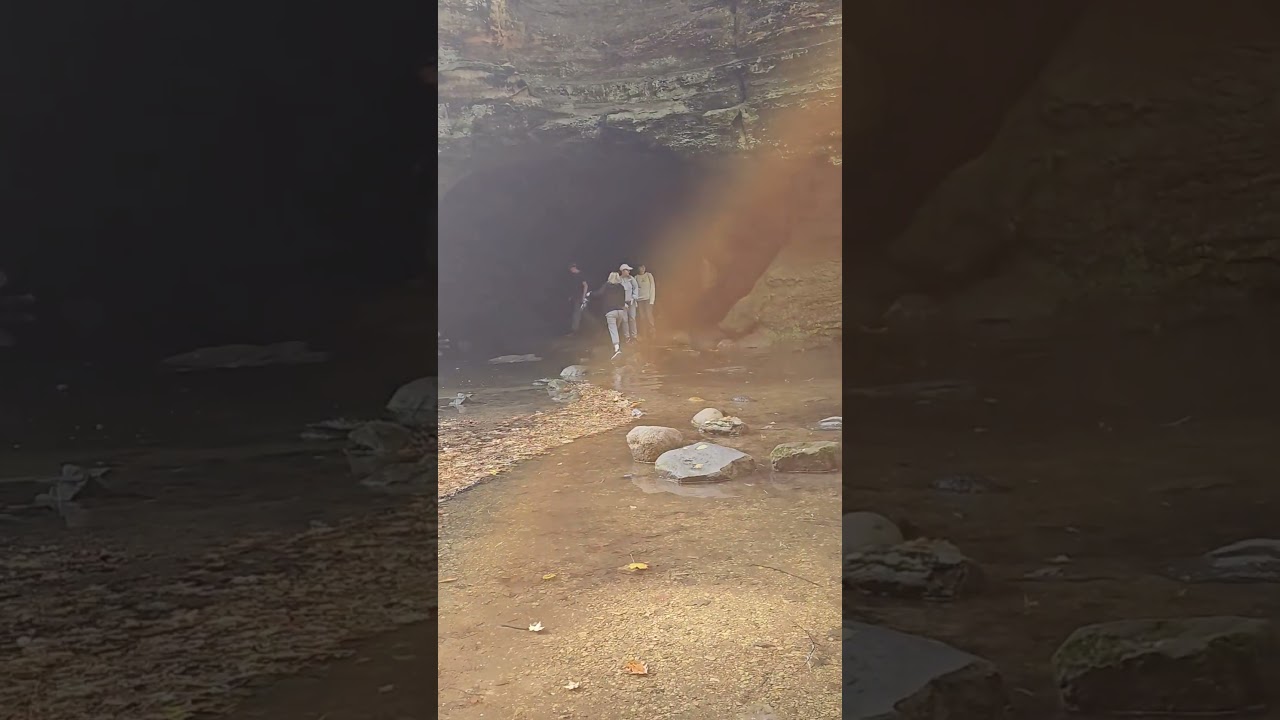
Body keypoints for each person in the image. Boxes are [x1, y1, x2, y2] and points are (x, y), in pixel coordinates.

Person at [592, 272, 628, 361]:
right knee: (616, 328)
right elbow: (623, 299)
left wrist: (590, 294)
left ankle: (617, 349)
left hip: (610, 311)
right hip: (620, 311)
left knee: (613, 330)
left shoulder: (606, 286)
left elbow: (598, 294)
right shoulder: (621, 287)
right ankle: (613, 344)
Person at [618, 263, 640, 342]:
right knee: (625, 320)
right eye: (627, 270)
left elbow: (636, 287)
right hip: (623, 303)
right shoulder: (619, 280)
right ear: (623, 271)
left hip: (631, 302)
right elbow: (617, 292)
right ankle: (627, 337)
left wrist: (634, 297)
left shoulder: (631, 279)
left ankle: (634, 336)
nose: (629, 272)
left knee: (632, 318)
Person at [566, 262, 589, 334]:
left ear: (574, 268)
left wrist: (583, 296)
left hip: (580, 297)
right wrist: (571, 296)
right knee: (578, 313)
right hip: (575, 297)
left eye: (571, 269)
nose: (571, 271)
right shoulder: (573, 276)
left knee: (578, 313)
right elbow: (573, 287)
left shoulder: (581, 275)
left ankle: (575, 330)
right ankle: (576, 328)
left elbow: (585, 285)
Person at [634, 264, 656, 335]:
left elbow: (652, 287)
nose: (642, 269)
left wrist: (652, 300)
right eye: (640, 267)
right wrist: (636, 302)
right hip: (640, 300)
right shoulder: (636, 277)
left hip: (648, 299)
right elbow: (635, 289)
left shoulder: (649, 275)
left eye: (643, 267)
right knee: (642, 317)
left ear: (644, 268)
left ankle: (652, 333)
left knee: (649, 315)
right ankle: (644, 334)